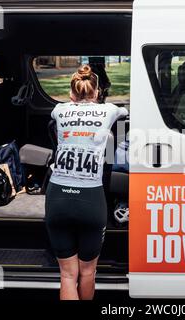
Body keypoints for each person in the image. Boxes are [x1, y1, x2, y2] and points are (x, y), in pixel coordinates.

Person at [45, 65, 128, 300]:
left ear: (71, 93)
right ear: (97, 92)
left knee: (67, 275)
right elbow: (123, 113)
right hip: (90, 200)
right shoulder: (109, 110)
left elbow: (55, 117)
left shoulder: (59, 110)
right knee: (88, 272)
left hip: (58, 196)